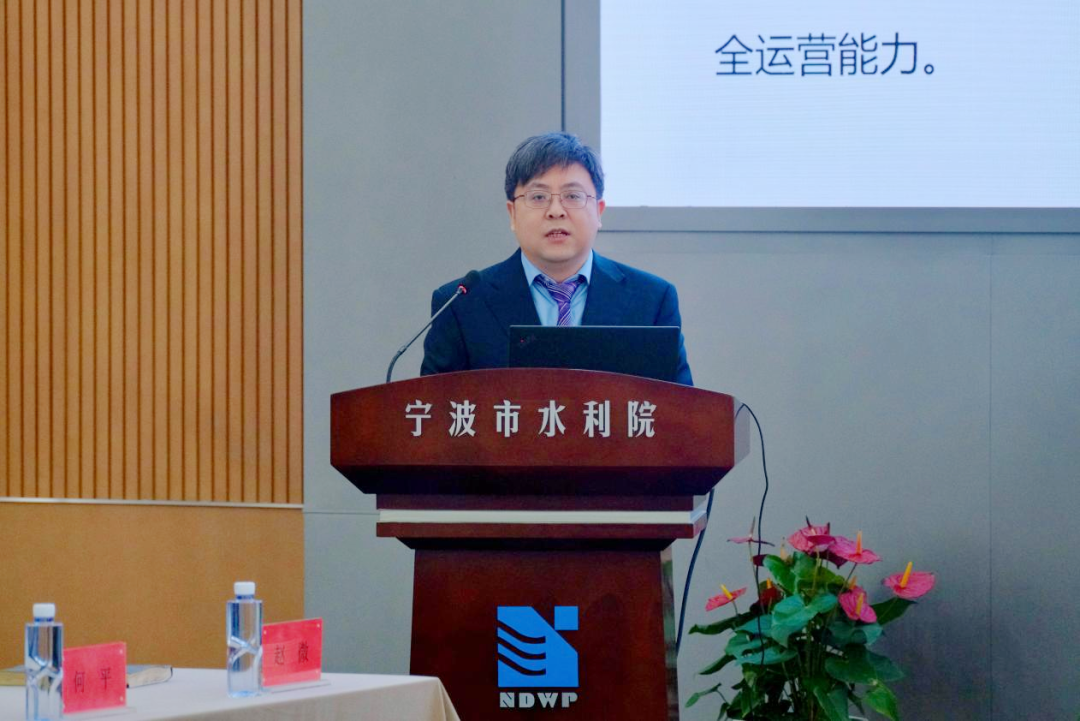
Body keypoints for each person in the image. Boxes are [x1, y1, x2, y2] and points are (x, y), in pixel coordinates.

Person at [420, 132, 693, 386]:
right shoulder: (461, 304)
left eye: (572, 196)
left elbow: (683, 411)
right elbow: (434, 411)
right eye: (538, 197)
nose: (555, 211)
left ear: (599, 211)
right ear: (512, 214)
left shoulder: (652, 300)